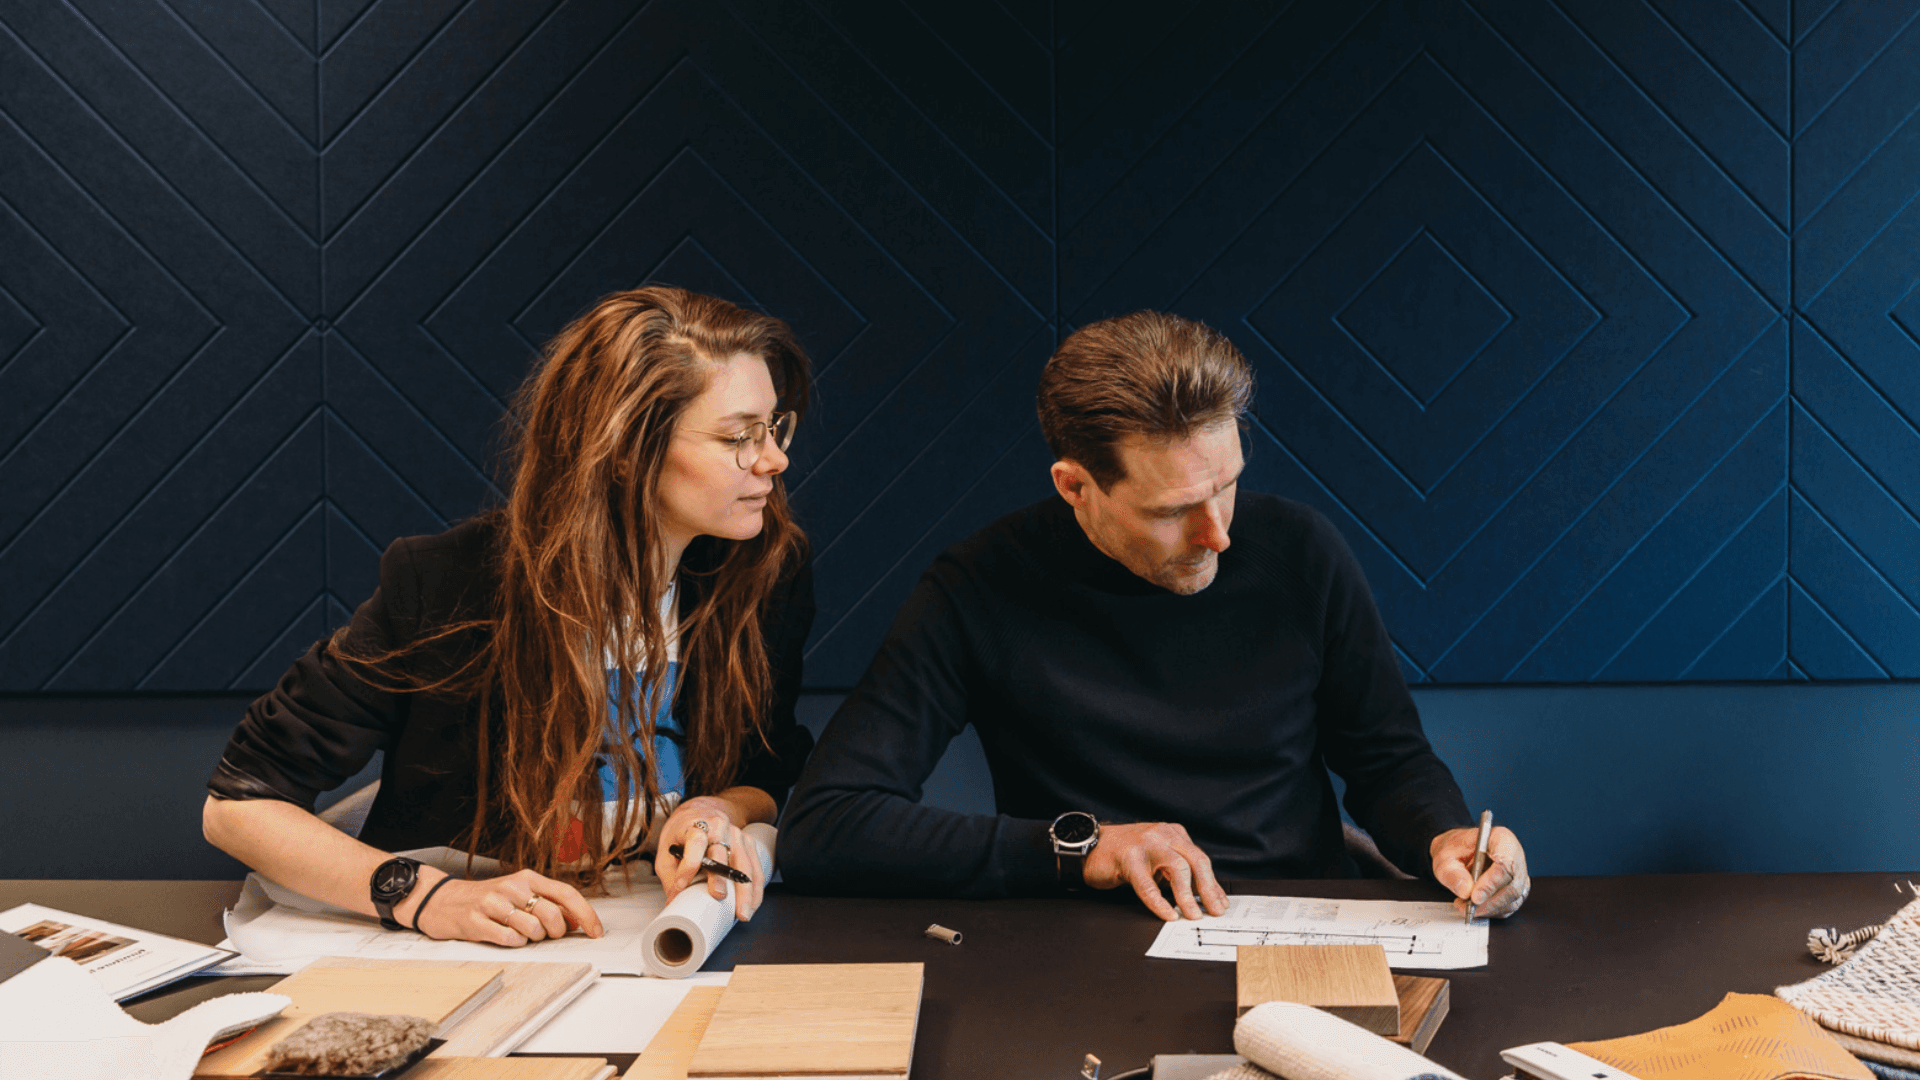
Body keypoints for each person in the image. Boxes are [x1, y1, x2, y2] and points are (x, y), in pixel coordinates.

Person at [778, 311, 1529, 922]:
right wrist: (1082, 849)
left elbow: (1387, 760)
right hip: (1091, 938)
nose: (1218, 535)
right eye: (1173, 511)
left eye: (1228, 484)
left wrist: (1446, 833)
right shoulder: (976, 586)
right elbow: (827, 827)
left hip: (1302, 917)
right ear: (1075, 487)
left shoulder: (1301, 550)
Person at [203, 286, 816, 946]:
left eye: (774, 427)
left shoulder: (762, 577)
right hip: (454, 953)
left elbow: (770, 768)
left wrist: (716, 808)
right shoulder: (444, 585)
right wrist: (429, 898)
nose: (774, 461)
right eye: (737, 437)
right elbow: (237, 806)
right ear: (625, 451)